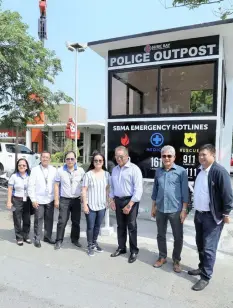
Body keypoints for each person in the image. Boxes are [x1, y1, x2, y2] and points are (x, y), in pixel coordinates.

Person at [188, 144, 233, 291]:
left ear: (213, 155)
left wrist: (226, 214)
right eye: (200, 154)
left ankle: (206, 277)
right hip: (199, 214)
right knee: (200, 245)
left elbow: (227, 196)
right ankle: (202, 268)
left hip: (212, 218)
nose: (201, 157)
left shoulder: (219, 172)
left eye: (204, 155)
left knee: (209, 248)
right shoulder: (199, 171)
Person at [151, 145, 189, 273]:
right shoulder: (158, 171)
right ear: (161, 157)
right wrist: (153, 207)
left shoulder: (181, 171)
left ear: (174, 157)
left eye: (169, 156)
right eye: (164, 156)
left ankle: (176, 260)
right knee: (160, 235)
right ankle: (162, 257)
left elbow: (185, 192)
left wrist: (184, 210)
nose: (166, 158)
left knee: (178, 236)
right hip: (160, 208)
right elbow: (155, 190)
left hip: (176, 210)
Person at [109, 146, 143, 264]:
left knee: (132, 227)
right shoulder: (114, 170)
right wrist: (111, 200)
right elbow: (112, 187)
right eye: (116, 156)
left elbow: (138, 190)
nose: (118, 159)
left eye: (121, 156)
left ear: (127, 156)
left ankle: (134, 251)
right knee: (120, 226)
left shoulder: (134, 169)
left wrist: (130, 205)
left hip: (131, 201)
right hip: (118, 200)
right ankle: (121, 247)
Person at [54, 151, 85, 250]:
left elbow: (85, 185)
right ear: (65, 160)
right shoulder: (60, 171)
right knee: (62, 221)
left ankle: (75, 239)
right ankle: (59, 240)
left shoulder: (80, 171)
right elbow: (56, 185)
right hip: (64, 200)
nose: (70, 161)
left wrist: (83, 197)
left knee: (76, 221)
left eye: (72, 159)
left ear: (75, 160)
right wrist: (56, 200)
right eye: (68, 159)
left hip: (76, 200)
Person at [82, 152, 110, 256]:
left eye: (100, 160)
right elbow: (84, 190)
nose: (98, 162)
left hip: (102, 205)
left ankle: (94, 242)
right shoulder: (88, 174)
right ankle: (89, 246)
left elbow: (107, 189)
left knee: (97, 226)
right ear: (93, 162)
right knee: (90, 226)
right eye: (96, 160)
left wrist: (108, 201)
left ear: (103, 162)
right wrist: (85, 205)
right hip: (90, 205)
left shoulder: (107, 174)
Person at [28, 151, 57, 248]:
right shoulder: (35, 170)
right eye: (43, 157)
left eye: (47, 157)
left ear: (50, 159)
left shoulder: (54, 170)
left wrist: (56, 198)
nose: (45, 159)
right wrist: (33, 199)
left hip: (50, 199)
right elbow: (31, 185)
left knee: (49, 219)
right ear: (40, 158)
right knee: (38, 219)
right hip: (38, 200)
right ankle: (37, 238)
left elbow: (56, 185)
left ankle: (47, 237)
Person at [6, 159, 31, 246]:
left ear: (27, 167)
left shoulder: (30, 176)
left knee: (27, 219)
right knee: (17, 219)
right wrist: (9, 201)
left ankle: (26, 235)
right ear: (17, 166)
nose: (22, 167)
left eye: (24, 165)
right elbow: (10, 189)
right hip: (16, 200)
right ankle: (19, 237)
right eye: (20, 165)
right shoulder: (14, 176)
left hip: (27, 200)